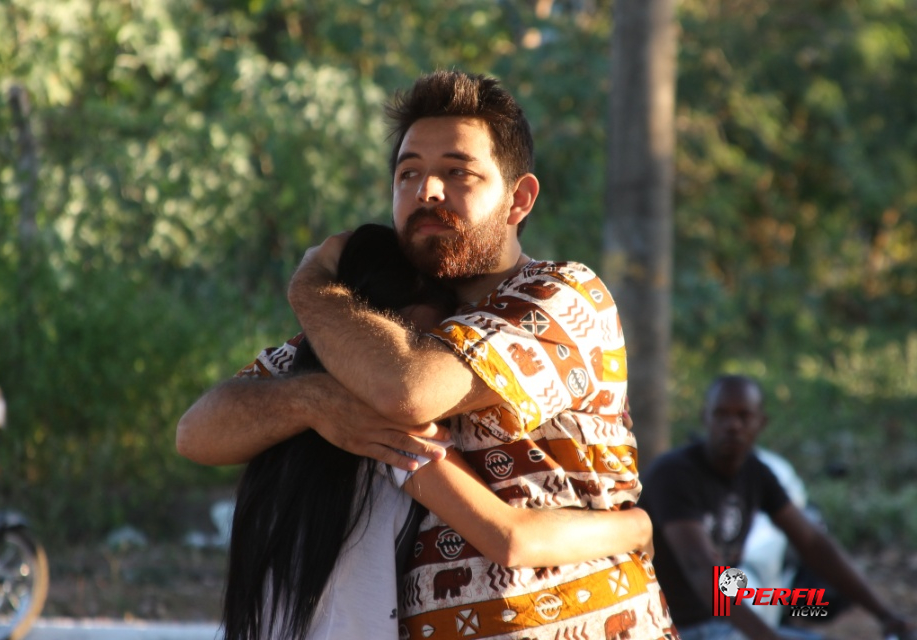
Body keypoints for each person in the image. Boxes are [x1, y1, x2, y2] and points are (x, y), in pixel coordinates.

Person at [282, 70, 676, 639]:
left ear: (519, 200)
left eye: (457, 172)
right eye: (408, 173)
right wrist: (314, 398)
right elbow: (201, 429)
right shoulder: (372, 327)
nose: (427, 191)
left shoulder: (560, 294)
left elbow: (408, 390)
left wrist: (307, 288)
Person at [215, 223, 656, 640]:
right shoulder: (391, 432)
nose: (428, 364)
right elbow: (512, 537)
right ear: (377, 330)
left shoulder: (278, 413)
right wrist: (634, 527)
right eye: (422, 344)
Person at [639, 374, 916, 640]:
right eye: (721, 414)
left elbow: (813, 543)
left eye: (743, 416)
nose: (732, 425)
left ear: (761, 422)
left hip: (721, 623)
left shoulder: (755, 472)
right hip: (670, 627)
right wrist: (765, 636)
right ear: (705, 418)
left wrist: (884, 614)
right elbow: (700, 566)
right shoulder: (674, 474)